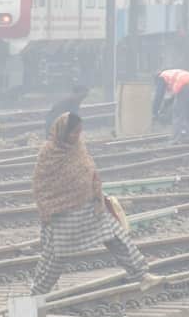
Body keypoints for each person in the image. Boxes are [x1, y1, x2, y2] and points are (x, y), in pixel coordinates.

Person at [31, 113, 161, 295]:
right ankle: (37, 294)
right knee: (55, 257)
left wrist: (97, 193)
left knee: (117, 238)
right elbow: (41, 185)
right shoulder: (49, 152)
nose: (76, 136)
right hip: (62, 213)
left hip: (90, 206)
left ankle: (142, 275)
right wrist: (47, 212)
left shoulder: (78, 148)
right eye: (72, 132)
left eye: (79, 132)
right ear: (62, 131)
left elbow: (89, 170)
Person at [152, 69, 189, 143]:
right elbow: (174, 95)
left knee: (178, 113)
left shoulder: (161, 77)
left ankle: (174, 139)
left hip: (185, 85)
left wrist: (154, 111)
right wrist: (167, 103)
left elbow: (159, 95)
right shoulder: (170, 73)